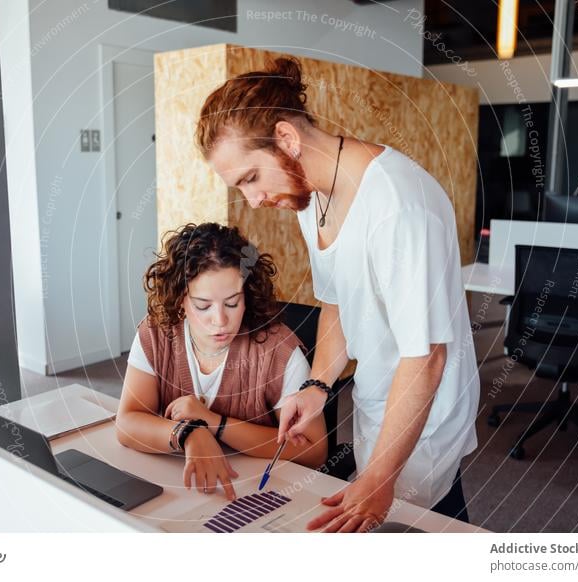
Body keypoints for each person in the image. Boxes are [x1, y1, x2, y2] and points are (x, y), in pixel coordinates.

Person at [195, 57, 480, 531]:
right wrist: (317, 386)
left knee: (411, 528)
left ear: (286, 140)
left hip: (424, 412)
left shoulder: (398, 205)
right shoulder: (313, 198)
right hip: (376, 395)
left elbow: (426, 356)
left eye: (250, 178)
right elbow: (336, 301)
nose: (253, 201)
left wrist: (380, 474)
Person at [115, 222, 327, 501]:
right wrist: (189, 432)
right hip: (181, 491)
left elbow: (313, 451)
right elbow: (127, 422)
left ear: (246, 296)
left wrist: (215, 423)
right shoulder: (156, 333)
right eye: (203, 306)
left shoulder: (278, 350)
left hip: (256, 493)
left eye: (232, 303)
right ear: (181, 300)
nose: (220, 321)